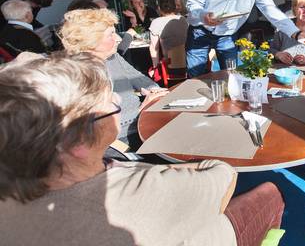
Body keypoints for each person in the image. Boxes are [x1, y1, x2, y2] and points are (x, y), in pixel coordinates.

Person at [0, 52, 285, 246]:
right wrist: (181, 167)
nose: (117, 102)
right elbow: (223, 175)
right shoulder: (142, 190)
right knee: (271, 194)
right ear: (76, 143)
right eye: (108, 104)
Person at [59, 8, 167, 144]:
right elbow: (96, 127)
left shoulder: (113, 57)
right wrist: (142, 109)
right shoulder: (78, 74)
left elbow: (140, 79)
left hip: (142, 126)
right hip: (117, 141)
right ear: (92, 40)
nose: (118, 39)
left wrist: (154, 91)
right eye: (111, 34)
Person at [149, 0, 188, 68]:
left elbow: (154, 48)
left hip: (169, 66)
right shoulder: (184, 20)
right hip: (188, 63)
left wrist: (155, 68)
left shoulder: (156, 22)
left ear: (159, 8)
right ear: (175, 7)